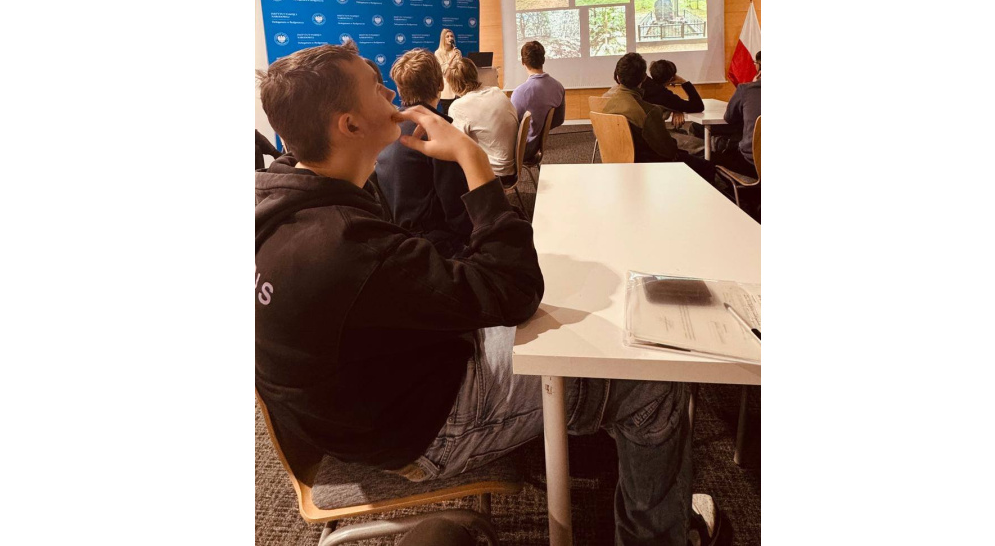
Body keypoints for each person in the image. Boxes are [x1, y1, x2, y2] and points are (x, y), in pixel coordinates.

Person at [255, 42, 720, 546]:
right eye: (375, 87)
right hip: (422, 428)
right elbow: (516, 291)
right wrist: (471, 158)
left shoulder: (277, 205)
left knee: (576, 326)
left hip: (368, 400)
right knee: (650, 379)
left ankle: (602, 457)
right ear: (349, 125)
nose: (389, 93)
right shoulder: (349, 246)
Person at [376, 49, 472, 257]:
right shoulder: (440, 135)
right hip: (439, 248)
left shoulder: (386, 131)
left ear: (399, 90)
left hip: (399, 240)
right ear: (441, 85)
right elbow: (458, 213)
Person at [600, 53, 718, 186]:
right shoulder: (650, 111)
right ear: (643, 77)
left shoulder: (607, 105)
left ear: (618, 76)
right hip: (649, 165)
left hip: (619, 160)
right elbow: (668, 150)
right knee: (707, 166)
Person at [445, 57, 520, 185]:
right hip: (511, 167)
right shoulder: (497, 91)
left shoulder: (458, 107)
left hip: (492, 173)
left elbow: (455, 147)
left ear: (453, 85)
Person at [509, 40, 565, 163]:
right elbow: (559, 119)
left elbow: (510, 126)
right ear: (543, 60)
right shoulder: (558, 87)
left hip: (521, 150)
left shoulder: (520, 92)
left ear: (523, 62)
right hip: (536, 147)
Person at [717, 50, 761, 179]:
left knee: (711, 158)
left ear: (759, 66)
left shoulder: (746, 89)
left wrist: (752, 84)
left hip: (753, 163)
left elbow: (729, 118)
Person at [641, 59, 705, 129]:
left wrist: (676, 109)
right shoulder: (665, 96)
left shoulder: (642, 84)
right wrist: (684, 82)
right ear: (671, 79)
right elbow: (698, 106)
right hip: (654, 132)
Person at [434, 28, 463, 116]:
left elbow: (460, 69)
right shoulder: (438, 53)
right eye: (447, 36)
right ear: (443, 39)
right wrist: (452, 58)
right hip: (446, 90)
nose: (450, 38)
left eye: (451, 36)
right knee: (448, 115)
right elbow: (442, 70)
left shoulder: (457, 51)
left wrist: (459, 60)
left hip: (458, 89)